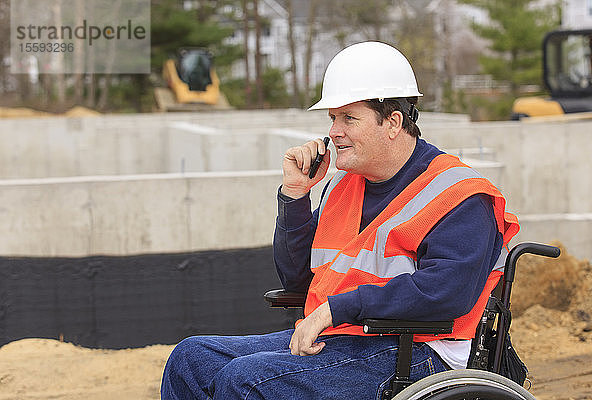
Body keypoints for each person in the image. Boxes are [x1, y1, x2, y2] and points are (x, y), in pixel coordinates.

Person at [161, 41, 520, 399]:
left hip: (421, 351)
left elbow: (446, 292)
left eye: (349, 118)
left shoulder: (459, 194)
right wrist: (295, 195)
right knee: (191, 359)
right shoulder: (344, 187)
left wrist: (337, 308)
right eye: (333, 118)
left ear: (393, 122)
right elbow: (296, 276)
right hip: (348, 336)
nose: (334, 131)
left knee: (245, 379)